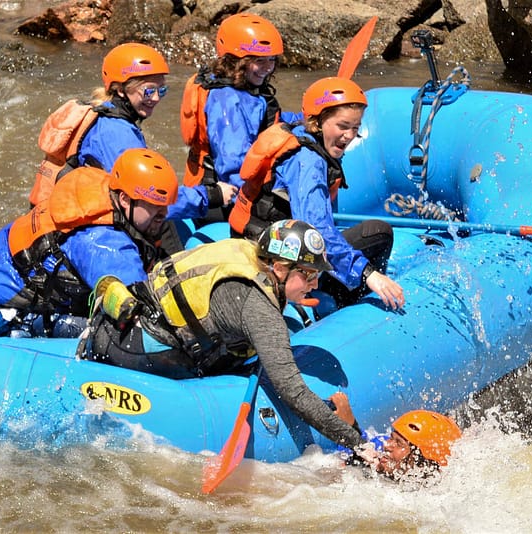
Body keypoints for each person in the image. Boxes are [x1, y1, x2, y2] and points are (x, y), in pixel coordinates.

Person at [78, 219, 365, 448]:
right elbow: (293, 392)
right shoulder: (258, 308)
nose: (314, 285)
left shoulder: (248, 255)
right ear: (278, 268)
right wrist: (355, 439)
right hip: (133, 350)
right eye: (309, 275)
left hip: (122, 326)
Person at [0, 148, 180, 341]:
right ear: (124, 199)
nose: (164, 214)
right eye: (154, 206)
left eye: (165, 206)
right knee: (107, 334)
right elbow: (146, 315)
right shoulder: (106, 245)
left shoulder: (97, 187)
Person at [229, 76, 405, 310]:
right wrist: (368, 273)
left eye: (355, 127)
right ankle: (351, 304)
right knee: (380, 232)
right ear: (317, 122)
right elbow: (317, 231)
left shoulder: (299, 132)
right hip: (276, 257)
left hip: (261, 241)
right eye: (343, 126)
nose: (350, 135)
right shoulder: (309, 161)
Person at [28, 42, 233, 220]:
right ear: (120, 89)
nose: (156, 98)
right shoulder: (116, 134)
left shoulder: (105, 113)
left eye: (161, 90)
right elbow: (150, 199)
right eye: (148, 90)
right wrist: (211, 195)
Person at [179, 12, 301, 221]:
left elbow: (266, 122)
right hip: (224, 198)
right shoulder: (225, 102)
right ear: (235, 60)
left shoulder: (247, 88)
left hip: (239, 185)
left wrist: (302, 120)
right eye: (259, 61)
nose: (268, 68)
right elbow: (233, 166)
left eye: (271, 60)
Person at [329, 392, 462, 480]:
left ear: (421, 463)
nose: (387, 445)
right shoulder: (381, 449)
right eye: (392, 438)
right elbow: (362, 446)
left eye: (399, 444)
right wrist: (349, 425)